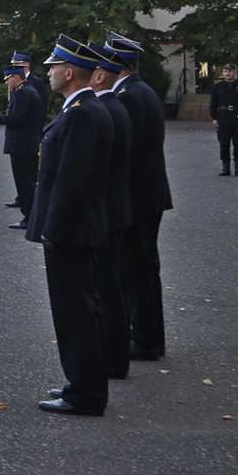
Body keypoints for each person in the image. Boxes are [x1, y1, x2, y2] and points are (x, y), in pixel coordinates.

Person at [28, 36, 114, 417]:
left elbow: (72, 181)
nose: (47, 73)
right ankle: (83, 382)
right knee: (83, 310)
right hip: (79, 229)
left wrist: (54, 230)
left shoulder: (80, 113)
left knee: (74, 313)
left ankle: (84, 393)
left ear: (68, 72)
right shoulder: (83, 108)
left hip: (71, 232)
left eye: (52, 67)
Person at [107, 32, 173, 363]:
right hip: (148, 193)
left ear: (116, 64)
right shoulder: (141, 90)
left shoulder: (130, 96)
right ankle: (151, 337)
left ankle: (145, 338)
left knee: (137, 269)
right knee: (144, 267)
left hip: (137, 196)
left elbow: (126, 153)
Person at [89, 47, 135, 382]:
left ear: (100, 75)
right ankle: (114, 356)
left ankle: (111, 358)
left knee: (107, 289)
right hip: (115, 207)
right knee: (113, 286)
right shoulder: (114, 105)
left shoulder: (103, 108)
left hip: (105, 210)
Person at [0, 66, 44, 231]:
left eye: (8, 79)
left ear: (16, 78)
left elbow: (17, 118)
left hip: (21, 144)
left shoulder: (22, 93)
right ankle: (32, 215)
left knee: (25, 184)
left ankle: (29, 217)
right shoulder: (29, 90)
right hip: (27, 143)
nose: (6, 82)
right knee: (29, 182)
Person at [209, 63, 238, 176]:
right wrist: (214, 118)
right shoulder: (218, 87)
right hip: (223, 117)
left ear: (234, 72)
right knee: (224, 143)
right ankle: (225, 168)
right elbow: (213, 104)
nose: (227, 73)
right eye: (225, 71)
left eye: (229, 71)